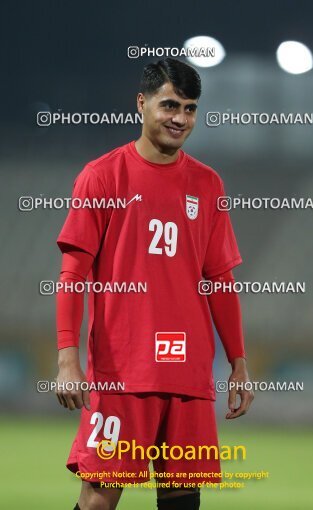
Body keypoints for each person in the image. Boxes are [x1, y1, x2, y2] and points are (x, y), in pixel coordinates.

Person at [55, 57, 254, 510]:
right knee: (99, 499)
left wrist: (238, 362)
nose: (179, 118)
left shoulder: (208, 184)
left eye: (189, 108)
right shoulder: (102, 176)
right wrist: (68, 358)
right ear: (141, 104)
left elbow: (220, 280)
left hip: (188, 373)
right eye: (169, 105)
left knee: (182, 501)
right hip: (123, 372)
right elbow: (72, 275)